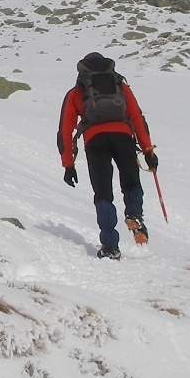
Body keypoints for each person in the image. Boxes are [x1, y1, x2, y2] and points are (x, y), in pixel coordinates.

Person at [57, 52, 158, 260]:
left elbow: (65, 131)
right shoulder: (120, 86)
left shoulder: (76, 92)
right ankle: (134, 214)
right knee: (131, 181)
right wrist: (148, 151)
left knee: (103, 193)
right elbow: (137, 117)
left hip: (95, 141)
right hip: (123, 137)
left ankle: (110, 245)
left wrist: (68, 164)